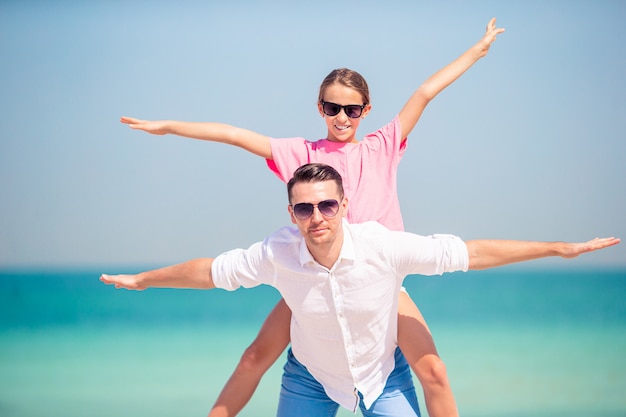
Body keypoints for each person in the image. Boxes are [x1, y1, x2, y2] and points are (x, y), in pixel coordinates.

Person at [120, 19, 506, 417]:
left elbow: (426, 92)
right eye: (332, 107)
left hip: (377, 278)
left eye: (352, 109)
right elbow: (234, 135)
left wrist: (478, 50)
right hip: (311, 276)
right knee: (254, 357)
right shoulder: (298, 152)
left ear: (366, 110)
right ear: (320, 108)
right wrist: (168, 127)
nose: (342, 117)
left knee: (434, 372)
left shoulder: (382, 145)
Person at [100, 163, 620, 417]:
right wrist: (145, 279)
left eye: (327, 205)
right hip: (309, 378)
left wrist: (557, 247)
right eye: (304, 208)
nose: (316, 216)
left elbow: (471, 252)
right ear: (292, 215)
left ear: (344, 205)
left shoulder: (383, 247)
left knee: (433, 372)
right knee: (254, 357)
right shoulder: (277, 252)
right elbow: (208, 271)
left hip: (382, 377)